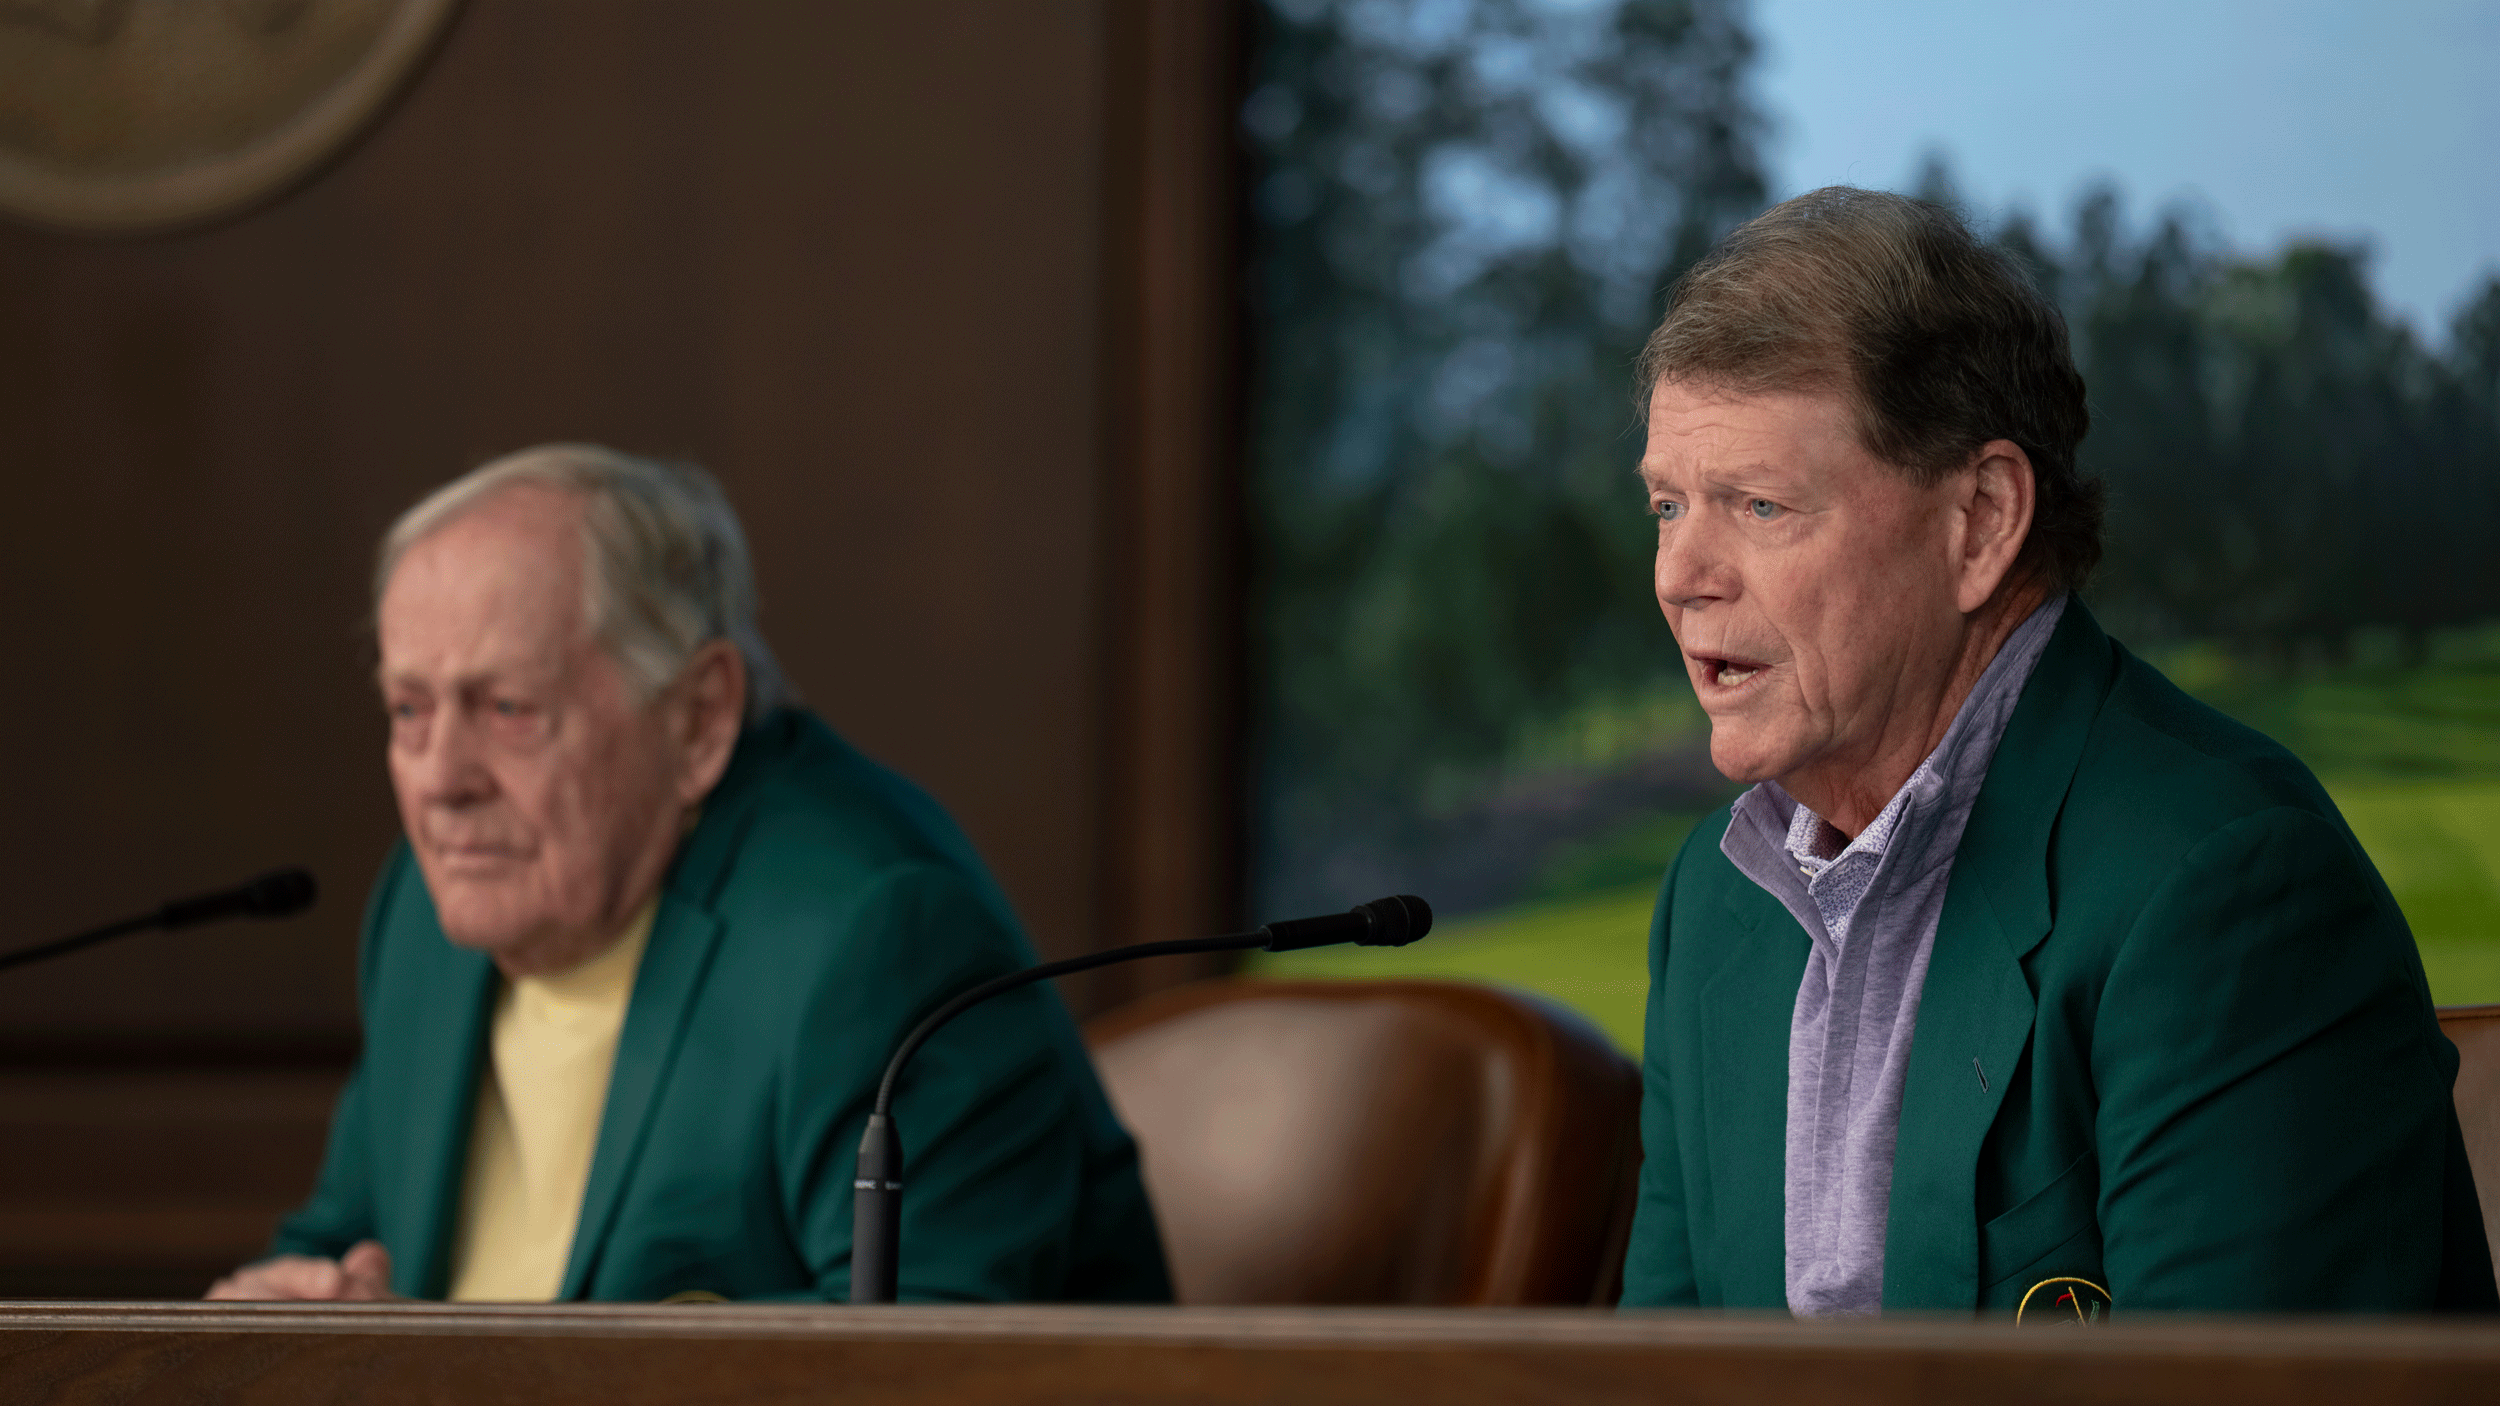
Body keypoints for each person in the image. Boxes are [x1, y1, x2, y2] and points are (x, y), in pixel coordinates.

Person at [1620, 188, 2495, 1315]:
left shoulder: (2227, 887)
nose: (1681, 573)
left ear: (1980, 519)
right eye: (1665, 506)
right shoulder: (1711, 900)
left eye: (1758, 504)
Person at [207, 444, 1168, 1303]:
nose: (442, 783)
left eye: (506, 708)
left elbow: (927, 1348)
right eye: (409, 710)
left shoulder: (880, 931)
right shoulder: (428, 907)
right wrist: (311, 1305)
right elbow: (345, 1233)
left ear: (700, 718)